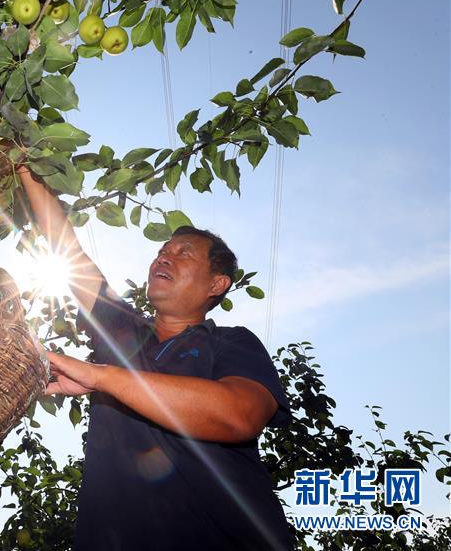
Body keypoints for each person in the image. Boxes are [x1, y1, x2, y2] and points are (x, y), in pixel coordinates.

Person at [17, 165, 293, 550]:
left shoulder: (230, 343)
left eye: (183, 254)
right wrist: (25, 165)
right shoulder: (122, 331)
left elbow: (239, 416)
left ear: (217, 283)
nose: (164, 258)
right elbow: (68, 249)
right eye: (162, 252)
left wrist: (102, 377)